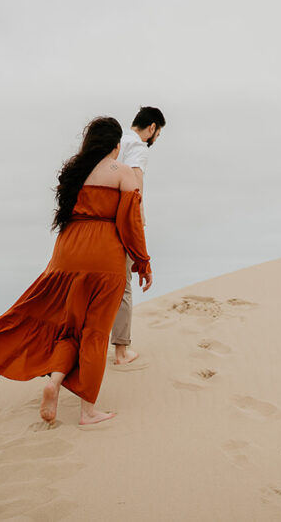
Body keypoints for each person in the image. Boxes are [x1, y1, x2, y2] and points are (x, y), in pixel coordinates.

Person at [0, 116, 153, 426]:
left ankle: (54, 383)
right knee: (95, 332)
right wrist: (142, 261)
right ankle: (88, 411)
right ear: (116, 146)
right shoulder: (123, 172)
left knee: (69, 327)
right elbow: (129, 224)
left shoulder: (74, 173)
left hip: (66, 254)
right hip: (104, 257)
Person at [111, 106, 165, 366]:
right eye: (158, 133)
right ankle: (121, 352)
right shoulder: (139, 148)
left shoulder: (115, 140)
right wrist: (139, 221)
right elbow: (135, 187)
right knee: (123, 284)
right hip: (121, 220)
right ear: (152, 127)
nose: (156, 140)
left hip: (98, 216)